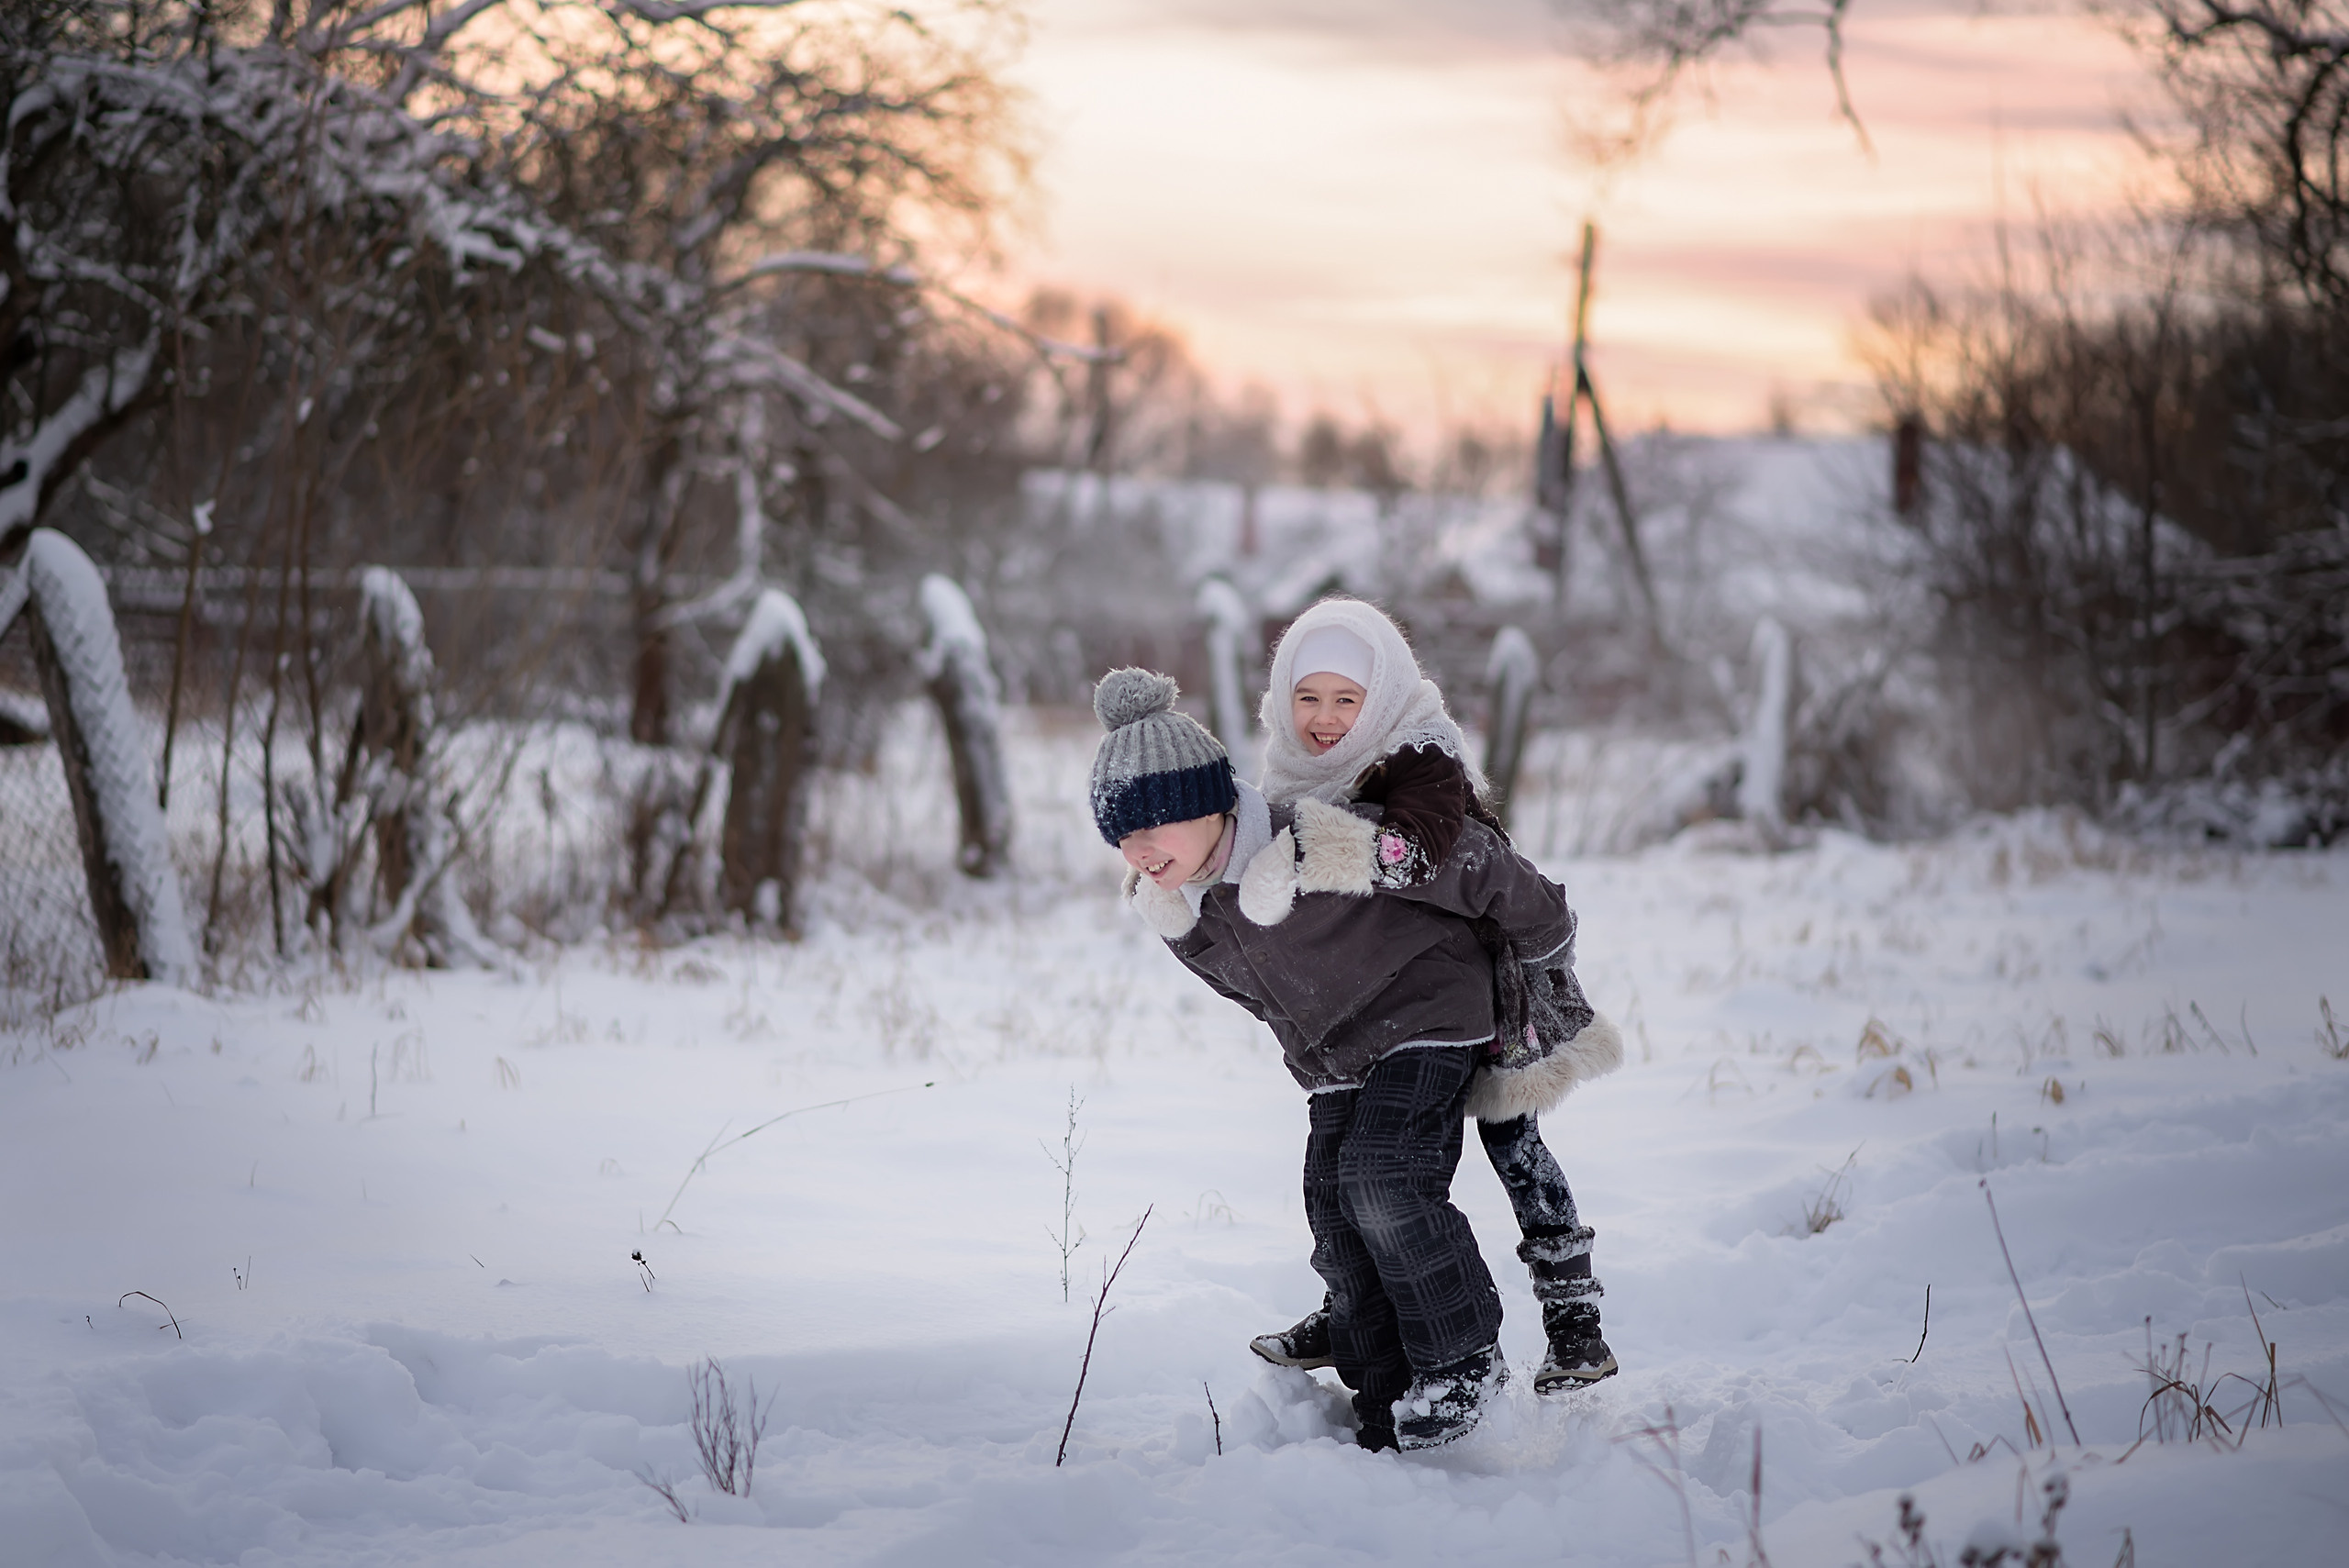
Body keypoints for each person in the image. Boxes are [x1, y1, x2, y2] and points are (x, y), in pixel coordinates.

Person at [1091, 666, 1596, 1451]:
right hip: (1339, 1052)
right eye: (1121, 833)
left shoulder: (1314, 836)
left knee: (1384, 1175)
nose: (1138, 848)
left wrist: (1546, 939)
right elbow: (1261, 995)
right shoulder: (1187, 915)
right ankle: (1384, 1398)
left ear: (1212, 803)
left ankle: (1464, 1362)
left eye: (1154, 823)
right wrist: (1311, 1054)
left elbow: (1469, 861)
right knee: (1330, 1202)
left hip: (1430, 1009)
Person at [1244, 595, 1623, 1395]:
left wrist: (1316, 846)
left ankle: (1575, 1322)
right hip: (1393, 990)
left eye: (1345, 700)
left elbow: (1412, 854)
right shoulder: (1288, 768)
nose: (1323, 718)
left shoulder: (1419, 753)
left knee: (1512, 1143)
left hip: (1482, 978)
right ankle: (1350, 1305)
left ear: (1378, 697)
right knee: (1347, 1171)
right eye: (1306, 697)